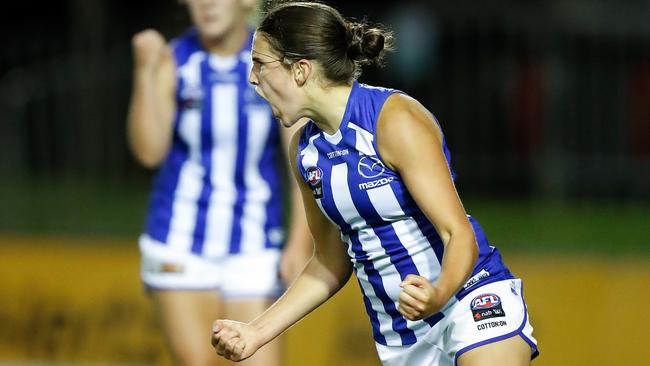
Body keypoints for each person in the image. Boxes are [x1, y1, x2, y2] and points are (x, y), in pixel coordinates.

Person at [211, 2, 540, 366]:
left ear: (300, 70)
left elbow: (457, 232)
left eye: (260, 63)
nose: (252, 77)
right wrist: (255, 333)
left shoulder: (393, 119)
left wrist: (438, 294)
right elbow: (328, 263)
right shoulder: (304, 152)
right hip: (400, 335)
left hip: (469, 298)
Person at [127, 0, 312, 365]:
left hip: (255, 243)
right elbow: (149, 152)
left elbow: (302, 157)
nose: (207, 3)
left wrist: (300, 241)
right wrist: (145, 70)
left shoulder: (274, 63)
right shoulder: (175, 59)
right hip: (180, 242)